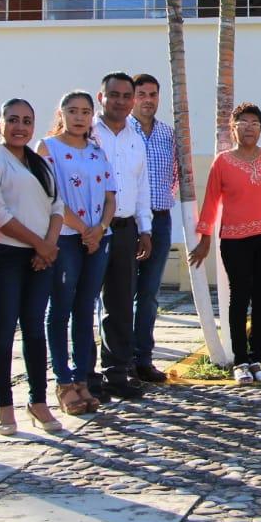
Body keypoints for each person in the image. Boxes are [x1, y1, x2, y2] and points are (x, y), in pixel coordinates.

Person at [189, 102, 261, 385]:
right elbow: (211, 202)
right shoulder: (222, 162)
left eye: (255, 123)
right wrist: (204, 239)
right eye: (243, 122)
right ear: (233, 128)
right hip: (235, 239)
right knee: (239, 298)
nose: (249, 128)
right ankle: (240, 361)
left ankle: (257, 359)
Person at [0, 99, 65, 435]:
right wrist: (39, 244)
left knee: (34, 329)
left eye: (27, 121)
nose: (20, 127)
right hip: (4, 256)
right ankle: (4, 406)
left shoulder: (40, 162)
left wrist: (49, 245)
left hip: (41, 258)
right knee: (4, 329)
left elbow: (57, 205)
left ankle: (38, 402)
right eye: (12, 119)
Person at [40, 91, 116, 416]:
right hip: (67, 237)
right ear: (62, 113)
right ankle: (63, 381)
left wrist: (100, 228)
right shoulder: (48, 148)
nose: (79, 117)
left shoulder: (97, 151)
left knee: (86, 308)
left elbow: (110, 196)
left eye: (86, 111)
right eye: (73, 111)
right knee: (60, 308)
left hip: (98, 239)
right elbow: (51, 195)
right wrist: (84, 229)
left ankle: (83, 378)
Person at [92, 72, 152, 401]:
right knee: (83, 303)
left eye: (126, 96)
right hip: (90, 230)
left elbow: (141, 186)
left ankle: (116, 373)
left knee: (120, 303)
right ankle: (84, 377)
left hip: (126, 228)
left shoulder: (135, 138)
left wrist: (145, 228)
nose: (120, 101)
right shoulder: (87, 132)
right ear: (101, 97)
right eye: (113, 95)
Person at [130, 72, 177, 384]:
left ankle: (143, 359)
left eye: (153, 94)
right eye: (142, 94)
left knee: (149, 294)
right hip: (127, 222)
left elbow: (175, 174)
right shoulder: (120, 132)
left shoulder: (167, 134)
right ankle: (118, 361)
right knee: (120, 293)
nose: (148, 100)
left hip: (159, 220)